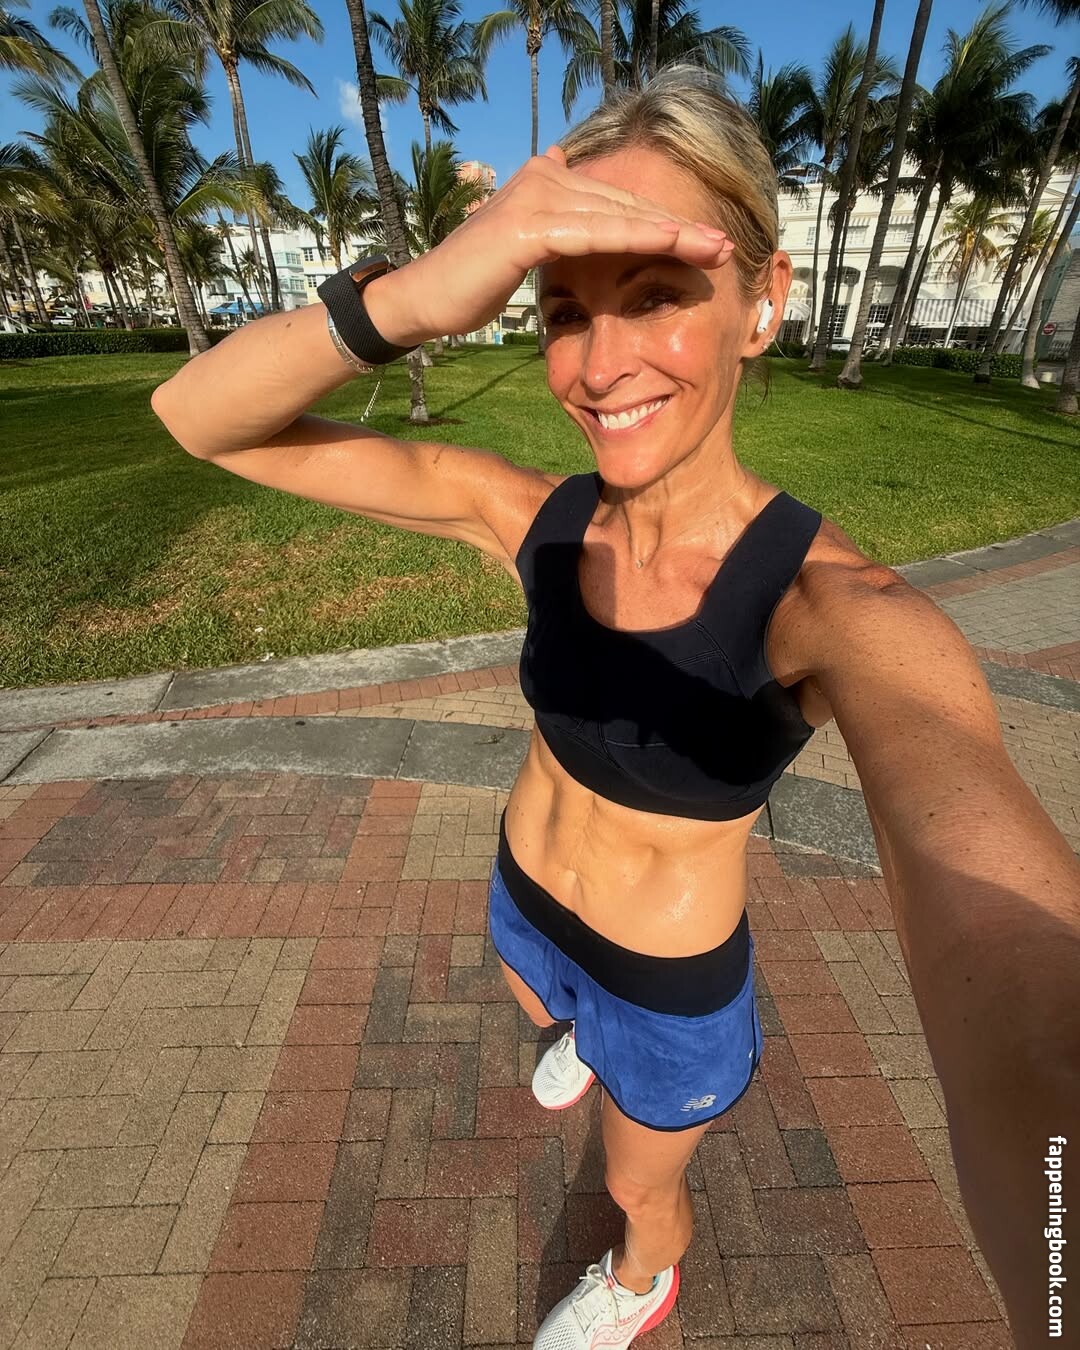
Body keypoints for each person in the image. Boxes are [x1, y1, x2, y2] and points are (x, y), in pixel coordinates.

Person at [151, 65, 1080, 1350]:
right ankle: (573, 1037)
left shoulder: (839, 612)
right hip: (525, 910)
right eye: (563, 309)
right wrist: (416, 294)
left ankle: (644, 1278)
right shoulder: (532, 517)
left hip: (663, 983)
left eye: (654, 297)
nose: (598, 365)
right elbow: (199, 420)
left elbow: (1028, 1007)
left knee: (642, 1189)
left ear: (763, 302)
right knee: (548, 1015)